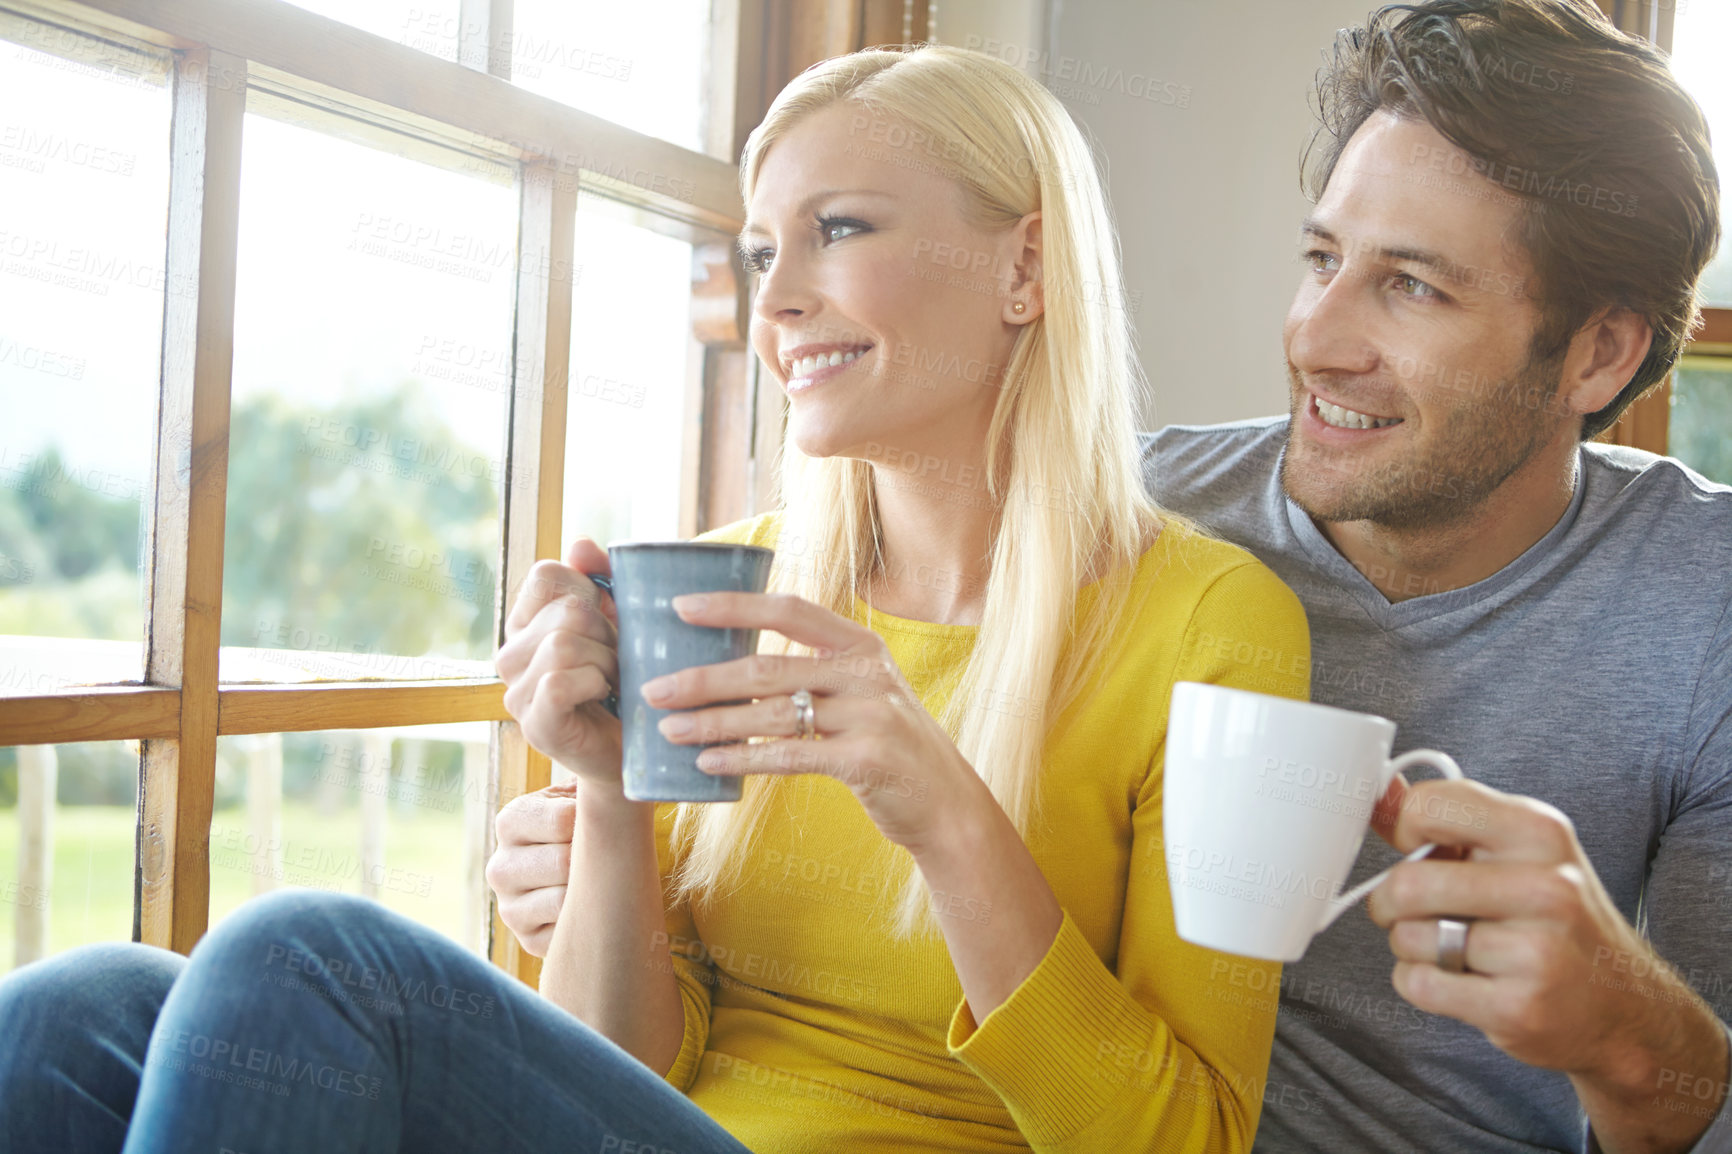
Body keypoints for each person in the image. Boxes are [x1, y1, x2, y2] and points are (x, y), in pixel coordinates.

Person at [0, 45, 1309, 1153]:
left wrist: (948, 818)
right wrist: (610, 801)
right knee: (79, 1004)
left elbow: (1190, 1130)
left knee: (299, 958)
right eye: (761, 249)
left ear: (1025, 267)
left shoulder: (1209, 627)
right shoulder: (734, 584)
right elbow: (621, 1062)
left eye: (839, 229)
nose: (777, 298)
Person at [1142, 2, 1731, 1151]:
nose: (1316, 337)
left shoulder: (1707, 608)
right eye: (1322, 259)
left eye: (1411, 285)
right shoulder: (1138, 514)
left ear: (1598, 354)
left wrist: (1625, 1030)